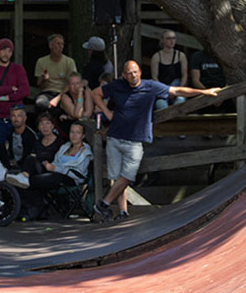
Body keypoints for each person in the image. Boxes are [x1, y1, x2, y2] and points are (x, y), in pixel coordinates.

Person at [90, 61, 221, 222]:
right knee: (117, 179)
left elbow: (177, 90)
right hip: (115, 137)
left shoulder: (150, 86)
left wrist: (205, 92)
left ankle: (104, 203)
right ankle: (123, 212)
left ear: (140, 72)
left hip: (135, 140)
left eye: (136, 72)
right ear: (124, 75)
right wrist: (107, 113)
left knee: (127, 176)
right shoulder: (117, 85)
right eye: (129, 73)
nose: (133, 75)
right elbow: (95, 93)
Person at [6, 121, 92, 221]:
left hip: (71, 178)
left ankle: (23, 180)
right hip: (53, 173)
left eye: (78, 133)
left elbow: (79, 173)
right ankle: (23, 176)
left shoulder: (85, 152)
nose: (74, 135)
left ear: (83, 135)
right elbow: (56, 162)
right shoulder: (65, 146)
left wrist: (55, 168)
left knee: (55, 177)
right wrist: (49, 166)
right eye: (72, 132)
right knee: (31, 159)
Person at [0, 38, 30, 167]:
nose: (6, 54)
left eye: (9, 51)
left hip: (16, 115)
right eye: (3, 50)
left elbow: (25, 90)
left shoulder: (18, 69)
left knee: (20, 151)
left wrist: (6, 97)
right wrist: (11, 89)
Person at [34, 33, 77, 109]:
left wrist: (58, 98)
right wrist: (44, 80)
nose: (61, 46)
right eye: (58, 44)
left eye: (62, 44)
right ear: (50, 46)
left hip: (64, 93)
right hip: (47, 92)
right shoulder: (41, 61)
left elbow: (72, 83)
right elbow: (39, 85)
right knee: (40, 103)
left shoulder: (69, 62)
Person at [150, 29, 188, 110]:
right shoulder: (156, 57)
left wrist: (179, 89)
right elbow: (154, 77)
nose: (172, 41)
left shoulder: (181, 55)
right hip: (162, 88)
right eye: (168, 38)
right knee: (161, 105)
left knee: (180, 103)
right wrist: (165, 90)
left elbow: (184, 75)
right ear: (162, 40)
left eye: (173, 38)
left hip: (178, 88)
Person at [0, 105, 38, 173]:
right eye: (13, 116)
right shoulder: (9, 133)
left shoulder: (30, 136)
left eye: (19, 116)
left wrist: (17, 163)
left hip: (25, 169)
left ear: (24, 118)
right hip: (12, 166)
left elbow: (30, 157)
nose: (16, 119)